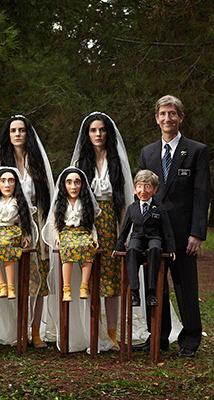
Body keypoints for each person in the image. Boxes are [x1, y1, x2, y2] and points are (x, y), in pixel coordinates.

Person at [138, 95, 211, 358]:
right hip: (153, 234)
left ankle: (190, 340)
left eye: (172, 113)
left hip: (183, 234)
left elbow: (201, 195)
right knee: (154, 287)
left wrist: (196, 234)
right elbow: (142, 195)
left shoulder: (196, 151)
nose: (167, 118)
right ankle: (158, 336)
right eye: (162, 114)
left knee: (185, 288)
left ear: (180, 117)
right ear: (156, 119)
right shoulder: (147, 153)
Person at [70, 111, 133, 351]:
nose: (98, 134)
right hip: (85, 223)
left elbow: (126, 200)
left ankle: (112, 335)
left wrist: (125, 232)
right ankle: (92, 331)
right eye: (93, 130)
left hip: (111, 224)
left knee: (111, 281)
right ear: (87, 134)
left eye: (102, 130)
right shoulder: (80, 163)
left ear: (108, 133)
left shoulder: (117, 161)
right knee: (88, 279)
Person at [0, 115, 54, 348]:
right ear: (8, 135)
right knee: (13, 281)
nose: (17, 134)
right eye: (13, 130)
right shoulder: (3, 162)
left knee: (38, 280)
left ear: (28, 134)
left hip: (36, 224)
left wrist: (46, 232)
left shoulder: (37, 162)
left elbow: (47, 198)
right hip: (9, 227)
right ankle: (17, 330)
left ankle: (36, 332)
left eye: (21, 130)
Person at [42, 167, 101, 352]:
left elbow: (91, 225)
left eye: (77, 182)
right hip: (67, 234)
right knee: (66, 250)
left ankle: (84, 285)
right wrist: (57, 237)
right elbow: (54, 224)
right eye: (69, 182)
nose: (73, 186)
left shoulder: (86, 203)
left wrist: (94, 238)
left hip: (82, 233)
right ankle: (66, 288)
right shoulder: (60, 203)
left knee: (88, 248)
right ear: (64, 185)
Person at [113, 170, 175, 308]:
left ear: (154, 190)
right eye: (140, 186)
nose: (143, 191)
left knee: (155, 249)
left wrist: (171, 248)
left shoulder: (159, 208)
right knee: (132, 249)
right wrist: (118, 246)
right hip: (137, 236)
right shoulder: (132, 208)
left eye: (147, 187)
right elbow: (125, 229)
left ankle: (151, 292)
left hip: (154, 237)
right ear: (135, 189)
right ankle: (134, 291)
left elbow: (167, 230)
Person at [0, 167, 37, 300]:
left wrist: (26, 236)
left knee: (6, 246)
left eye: (11, 181)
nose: (7, 185)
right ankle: (2, 285)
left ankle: (11, 287)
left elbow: (25, 221)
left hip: (12, 231)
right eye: (3, 181)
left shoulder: (18, 201)